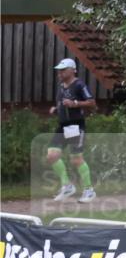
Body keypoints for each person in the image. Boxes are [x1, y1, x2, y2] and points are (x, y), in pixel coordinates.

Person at [48, 58, 97, 203]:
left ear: (72, 70)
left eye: (63, 70)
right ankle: (67, 186)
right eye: (59, 71)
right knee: (52, 155)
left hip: (76, 126)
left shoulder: (79, 85)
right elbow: (63, 104)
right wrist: (56, 109)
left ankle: (89, 191)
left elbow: (92, 103)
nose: (60, 73)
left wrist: (75, 103)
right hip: (62, 126)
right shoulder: (61, 86)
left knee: (76, 159)